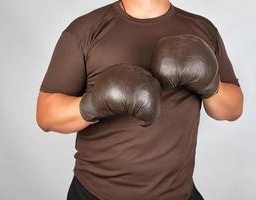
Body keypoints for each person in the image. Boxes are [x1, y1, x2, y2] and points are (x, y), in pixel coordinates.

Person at [36, 0, 244, 199]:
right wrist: (94, 104)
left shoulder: (203, 30)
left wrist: (210, 84)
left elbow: (233, 109)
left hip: (178, 194)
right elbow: (46, 115)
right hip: (94, 193)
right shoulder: (84, 30)